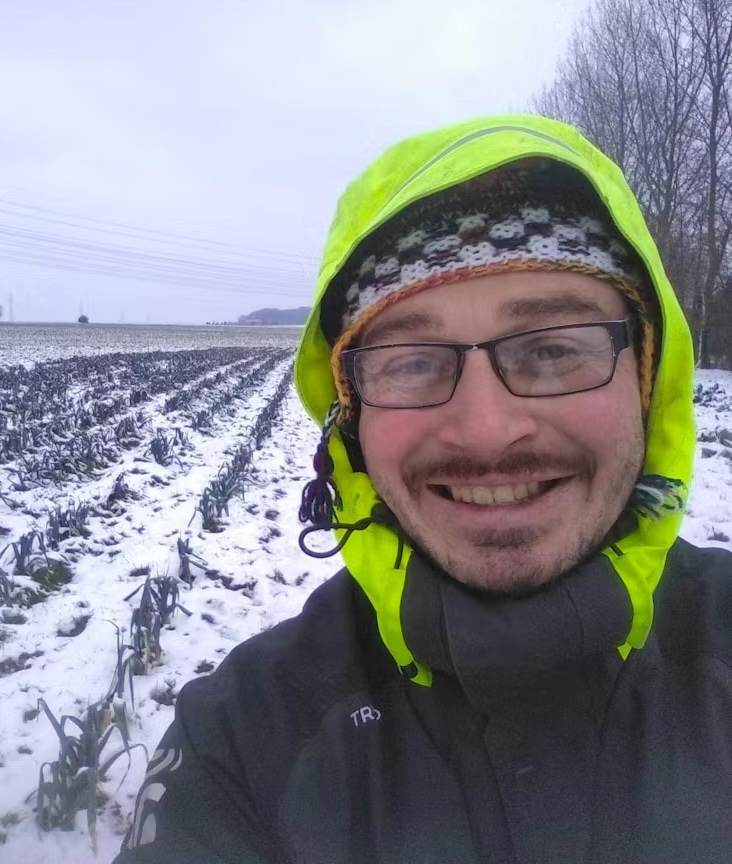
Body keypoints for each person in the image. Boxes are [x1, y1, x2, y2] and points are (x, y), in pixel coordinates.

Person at [114, 115, 732, 864]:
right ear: (350, 420)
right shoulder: (243, 744)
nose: (486, 430)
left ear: (647, 380)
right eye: (411, 362)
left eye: (552, 348)